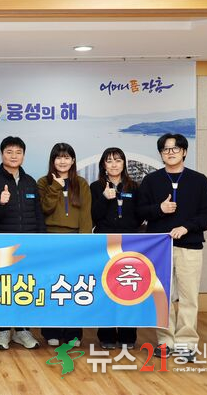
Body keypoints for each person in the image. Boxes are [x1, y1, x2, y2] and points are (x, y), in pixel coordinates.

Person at [137, 133, 207, 361]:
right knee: (162, 296)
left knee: (189, 297)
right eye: (166, 149)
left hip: (190, 246)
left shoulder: (199, 180)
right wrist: (159, 209)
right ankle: (165, 341)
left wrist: (187, 227)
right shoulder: (151, 181)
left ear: (184, 152)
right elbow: (139, 211)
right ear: (161, 154)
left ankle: (186, 343)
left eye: (175, 148)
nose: (170, 152)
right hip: (159, 248)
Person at [0, 136, 45, 351]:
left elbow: (38, 214)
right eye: (9, 152)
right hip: (3, 245)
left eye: (18, 152)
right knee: (3, 289)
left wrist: (41, 240)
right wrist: (1, 203)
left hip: (28, 245)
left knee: (24, 287)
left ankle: (22, 331)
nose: (14, 156)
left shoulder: (30, 182)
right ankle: (3, 331)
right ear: (1, 154)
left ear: (23, 155)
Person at [37, 142, 92, 347]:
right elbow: (44, 209)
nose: (62, 161)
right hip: (50, 239)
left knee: (74, 287)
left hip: (75, 240)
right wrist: (55, 187)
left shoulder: (81, 183)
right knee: (52, 286)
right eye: (58, 157)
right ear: (52, 161)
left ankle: (73, 333)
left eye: (66, 157)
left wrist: (84, 242)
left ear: (73, 160)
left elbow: (86, 215)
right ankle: (51, 331)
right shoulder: (43, 182)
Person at [90, 147, 142, 350]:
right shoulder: (96, 187)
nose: (114, 164)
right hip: (104, 242)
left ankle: (128, 335)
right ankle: (107, 335)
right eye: (109, 161)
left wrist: (129, 227)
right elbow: (93, 216)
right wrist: (104, 198)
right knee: (106, 288)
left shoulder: (134, 187)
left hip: (129, 243)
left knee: (128, 287)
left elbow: (140, 215)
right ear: (103, 165)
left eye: (118, 160)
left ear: (124, 164)